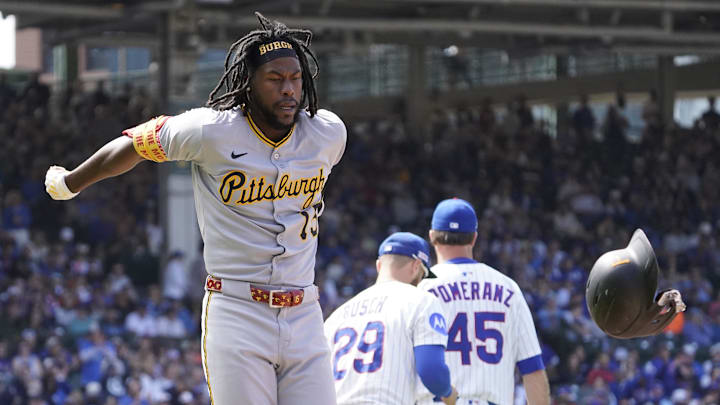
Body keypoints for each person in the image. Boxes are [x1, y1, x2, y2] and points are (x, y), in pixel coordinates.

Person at [45, 12, 347, 405]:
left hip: (305, 311)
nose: (289, 89)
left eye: (295, 78)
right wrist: (72, 182)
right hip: (238, 311)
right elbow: (133, 146)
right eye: (275, 79)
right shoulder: (210, 131)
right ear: (248, 85)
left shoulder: (328, 133)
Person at [417, 199, 550, 405]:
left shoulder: (418, 289)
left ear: (432, 236)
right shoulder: (508, 288)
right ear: (474, 238)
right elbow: (532, 370)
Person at [324, 232, 458, 405]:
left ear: (379, 266)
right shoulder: (421, 301)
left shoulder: (337, 315)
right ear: (416, 266)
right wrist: (448, 393)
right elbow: (432, 370)